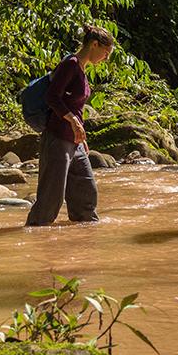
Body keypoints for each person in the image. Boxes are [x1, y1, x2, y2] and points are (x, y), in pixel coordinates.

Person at [26, 24, 114, 227]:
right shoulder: (70, 64)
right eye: (106, 53)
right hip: (57, 137)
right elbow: (52, 97)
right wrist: (73, 121)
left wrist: (83, 139)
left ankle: (84, 240)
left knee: (86, 192)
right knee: (51, 198)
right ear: (94, 44)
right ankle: (34, 235)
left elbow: (76, 107)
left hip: (74, 142)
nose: (106, 58)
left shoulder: (81, 69)